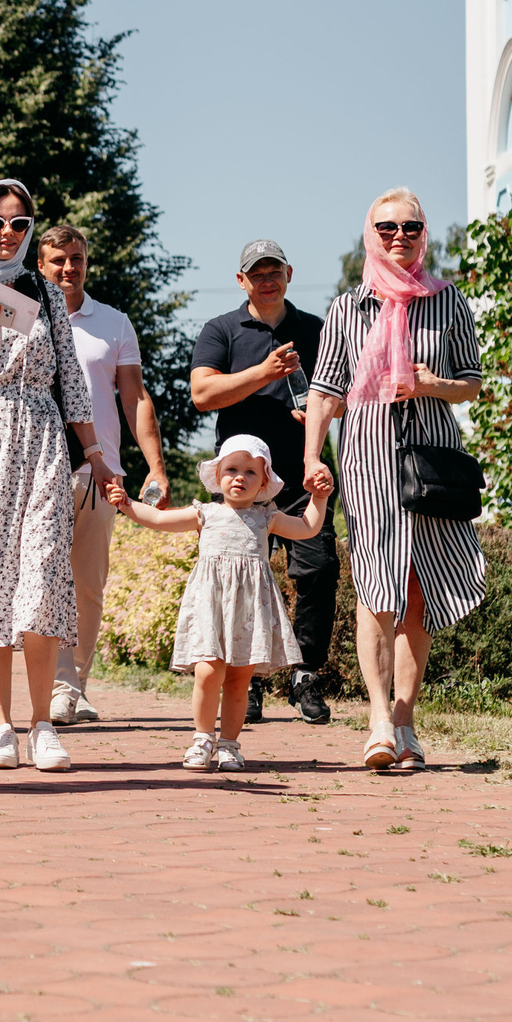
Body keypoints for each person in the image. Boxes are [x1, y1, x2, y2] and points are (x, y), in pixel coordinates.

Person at [302, 188, 486, 774]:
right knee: (377, 585)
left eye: (410, 227)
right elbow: (326, 390)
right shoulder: (347, 307)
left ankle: (406, 721)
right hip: (368, 456)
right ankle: (379, 719)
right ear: (370, 233)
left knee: (417, 590)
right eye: (387, 228)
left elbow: (472, 382)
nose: (398, 236)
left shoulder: (448, 300)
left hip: (430, 457)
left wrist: (432, 383)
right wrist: (312, 459)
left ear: (423, 232)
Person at [0, 179, 110, 773]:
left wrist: (93, 453)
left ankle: (43, 724)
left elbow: (71, 377)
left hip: (41, 435)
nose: (7, 232)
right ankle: (1, 726)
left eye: (20, 223)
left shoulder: (45, 290)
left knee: (43, 573)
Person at [106, 436, 325, 771]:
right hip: (212, 605)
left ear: (264, 481)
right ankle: (203, 739)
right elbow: (158, 520)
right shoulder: (204, 513)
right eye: (232, 469)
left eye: (250, 472)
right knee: (208, 673)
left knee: (240, 680)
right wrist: (126, 504)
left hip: (248, 611)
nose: (240, 477)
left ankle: (229, 745)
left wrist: (319, 498)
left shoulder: (268, 517)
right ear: (218, 474)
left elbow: (308, 527)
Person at [190, 239, 339, 727]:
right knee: (240, 580)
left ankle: (305, 675)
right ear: (242, 281)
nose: (266, 280)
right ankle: (246, 680)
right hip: (240, 482)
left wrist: (320, 411)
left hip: (302, 476)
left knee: (317, 572)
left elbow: (344, 393)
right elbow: (202, 394)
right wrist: (262, 372)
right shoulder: (222, 330)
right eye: (256, 274)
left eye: (274, 271)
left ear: (290, 274)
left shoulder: (317, 330)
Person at [33, 224, 168, 724]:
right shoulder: (25, 318)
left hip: (100, 471)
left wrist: (155, 465)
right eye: (58, 260)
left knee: (87, 584)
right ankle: (51, 685)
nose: (69, 268)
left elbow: (134, 396)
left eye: (77, 259)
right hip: (36, 469)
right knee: (42, 580)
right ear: (40, 265)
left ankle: (73, 685)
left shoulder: (114, 323)